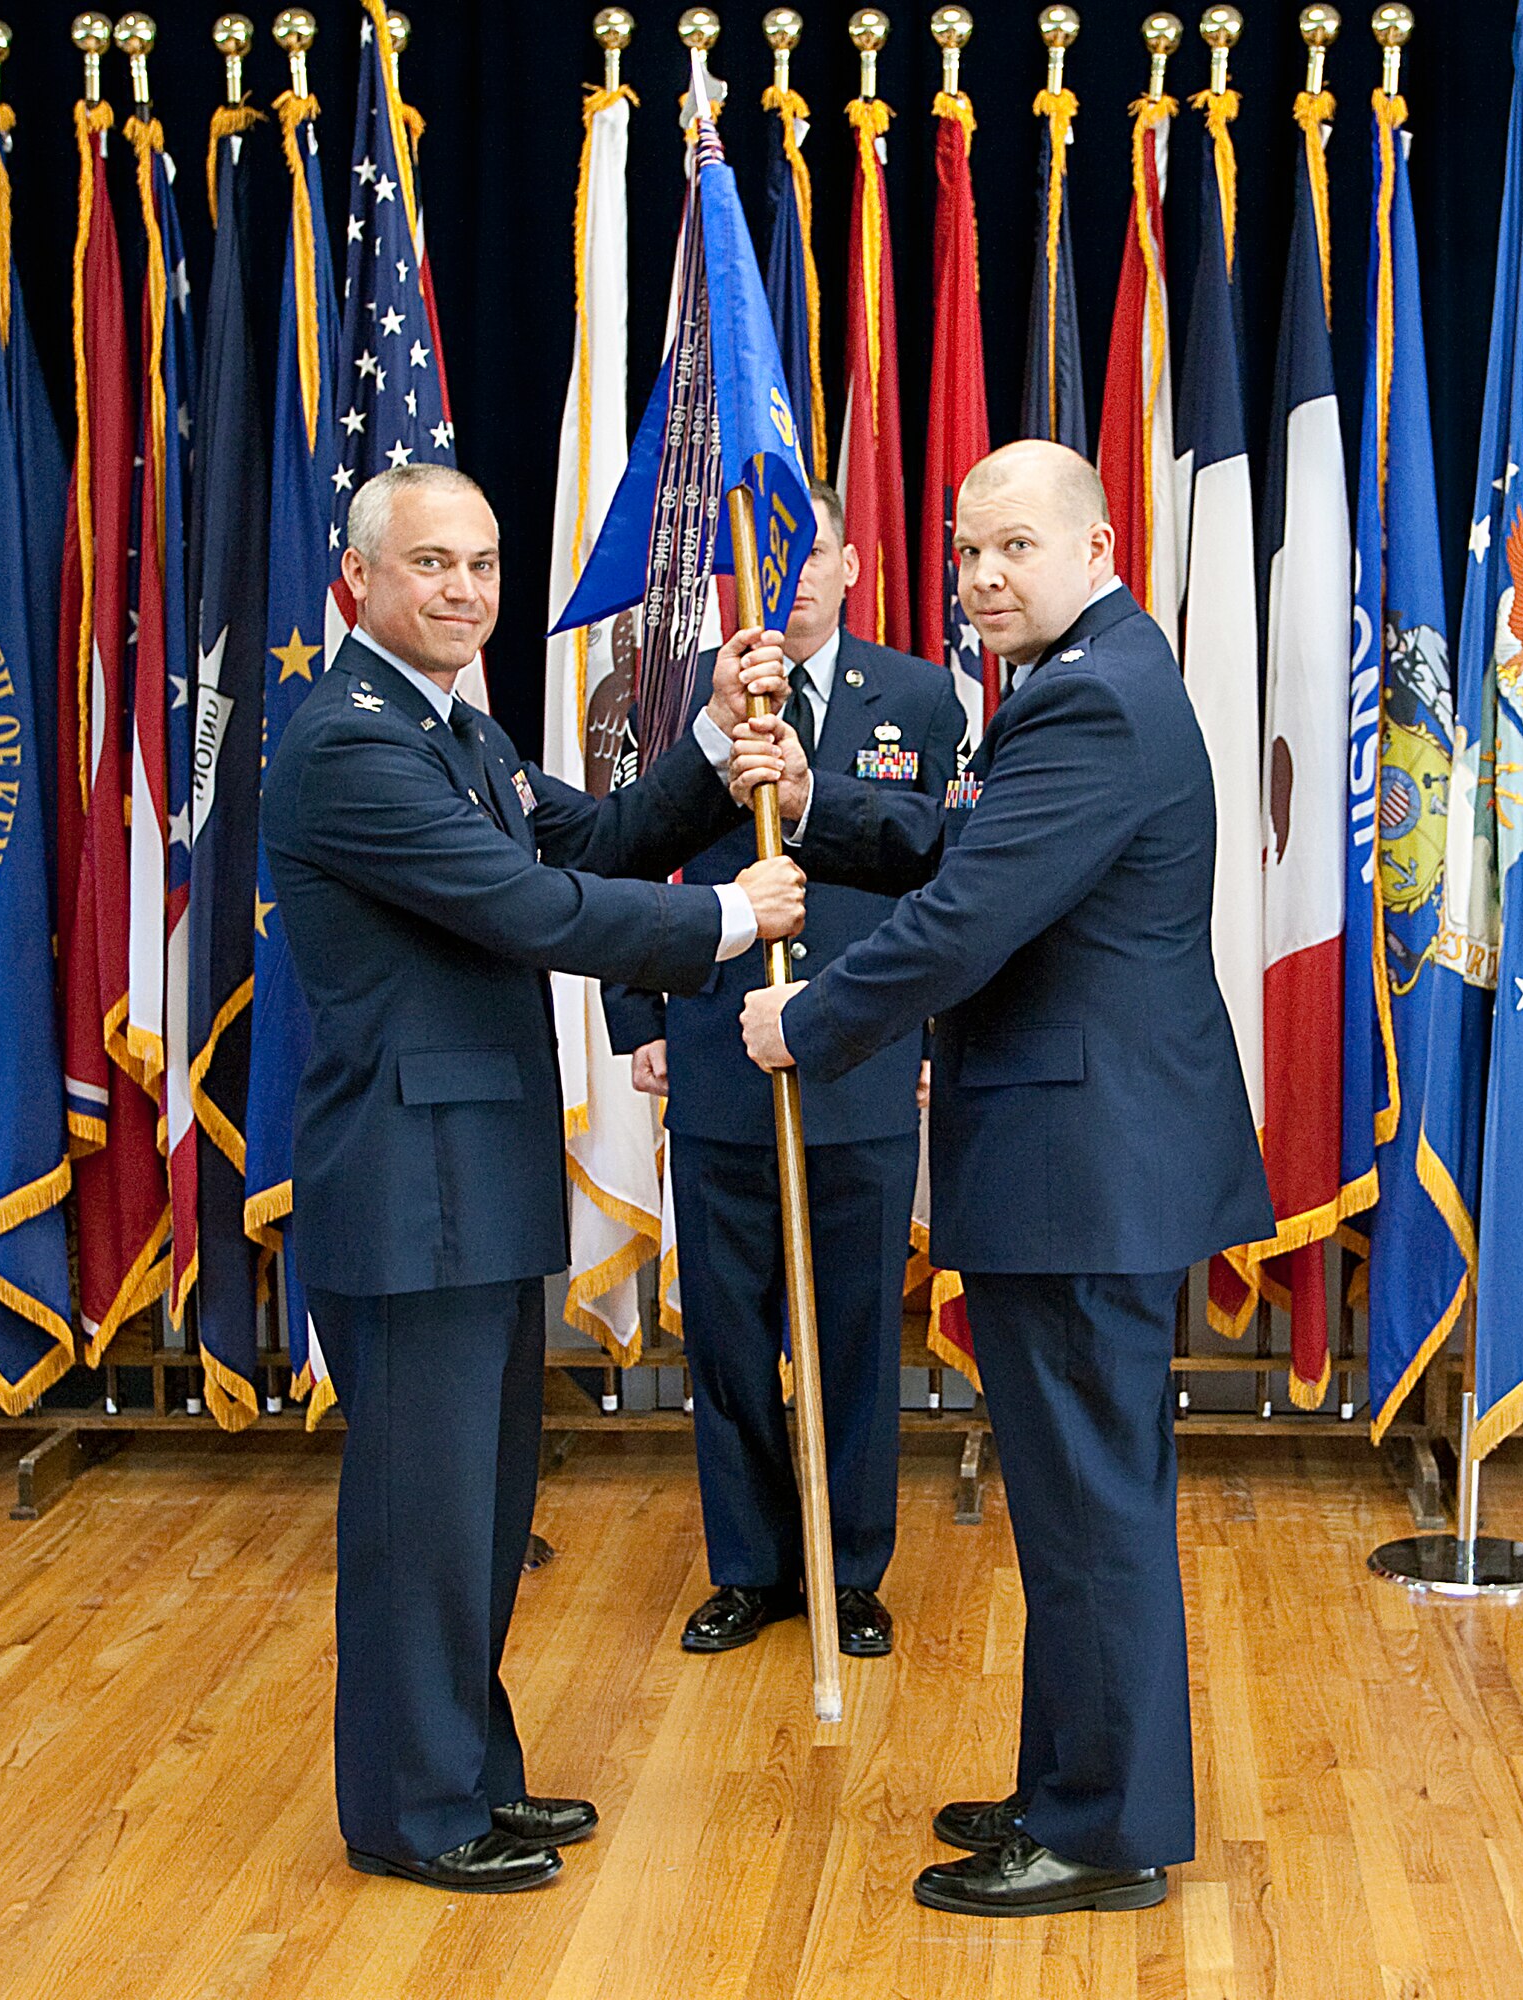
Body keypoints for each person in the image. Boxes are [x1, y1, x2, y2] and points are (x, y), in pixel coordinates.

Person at [735, 440, 1274, 1919]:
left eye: (1015, 548)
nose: (980, 575)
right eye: (967, 548)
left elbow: (967, 918)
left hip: (1084, 1165)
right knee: (1071, 1501)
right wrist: (817, 790)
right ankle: (1070, 1787)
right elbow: (958, 838)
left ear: (1097, 548)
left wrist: (812, 1022)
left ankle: (1103, 1834)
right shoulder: (1075, 681)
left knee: (1089, 1507)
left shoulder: (1091, 699)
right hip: (1080, 1158)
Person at [260, 464, 805, 1895]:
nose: (464, 589)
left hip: (476, 1176)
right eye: (431, 562)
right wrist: (734, 920)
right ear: (358, 584)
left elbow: (594, 840)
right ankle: (414, 1813)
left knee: (483, 1513)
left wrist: (703, 753)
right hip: (405, 1184)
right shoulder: (351, 745)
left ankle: (469, 1777)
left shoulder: (461, 731)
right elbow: (528, 905)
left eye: (484, 564)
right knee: (418, 1525)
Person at [604, 480, 965, 1659]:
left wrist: (931, 1027)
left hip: (862, 1059)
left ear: (851, 565)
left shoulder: (916, 694)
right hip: (715, 1052)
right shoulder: (685, 694)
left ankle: (847, 1566)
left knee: (856, 1327)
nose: (791, 577)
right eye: (765, 557)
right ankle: (751, 1565)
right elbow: (626, 860)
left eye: (809, 554)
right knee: (726, 1326)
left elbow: (951, 878)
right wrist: (633, 1014)